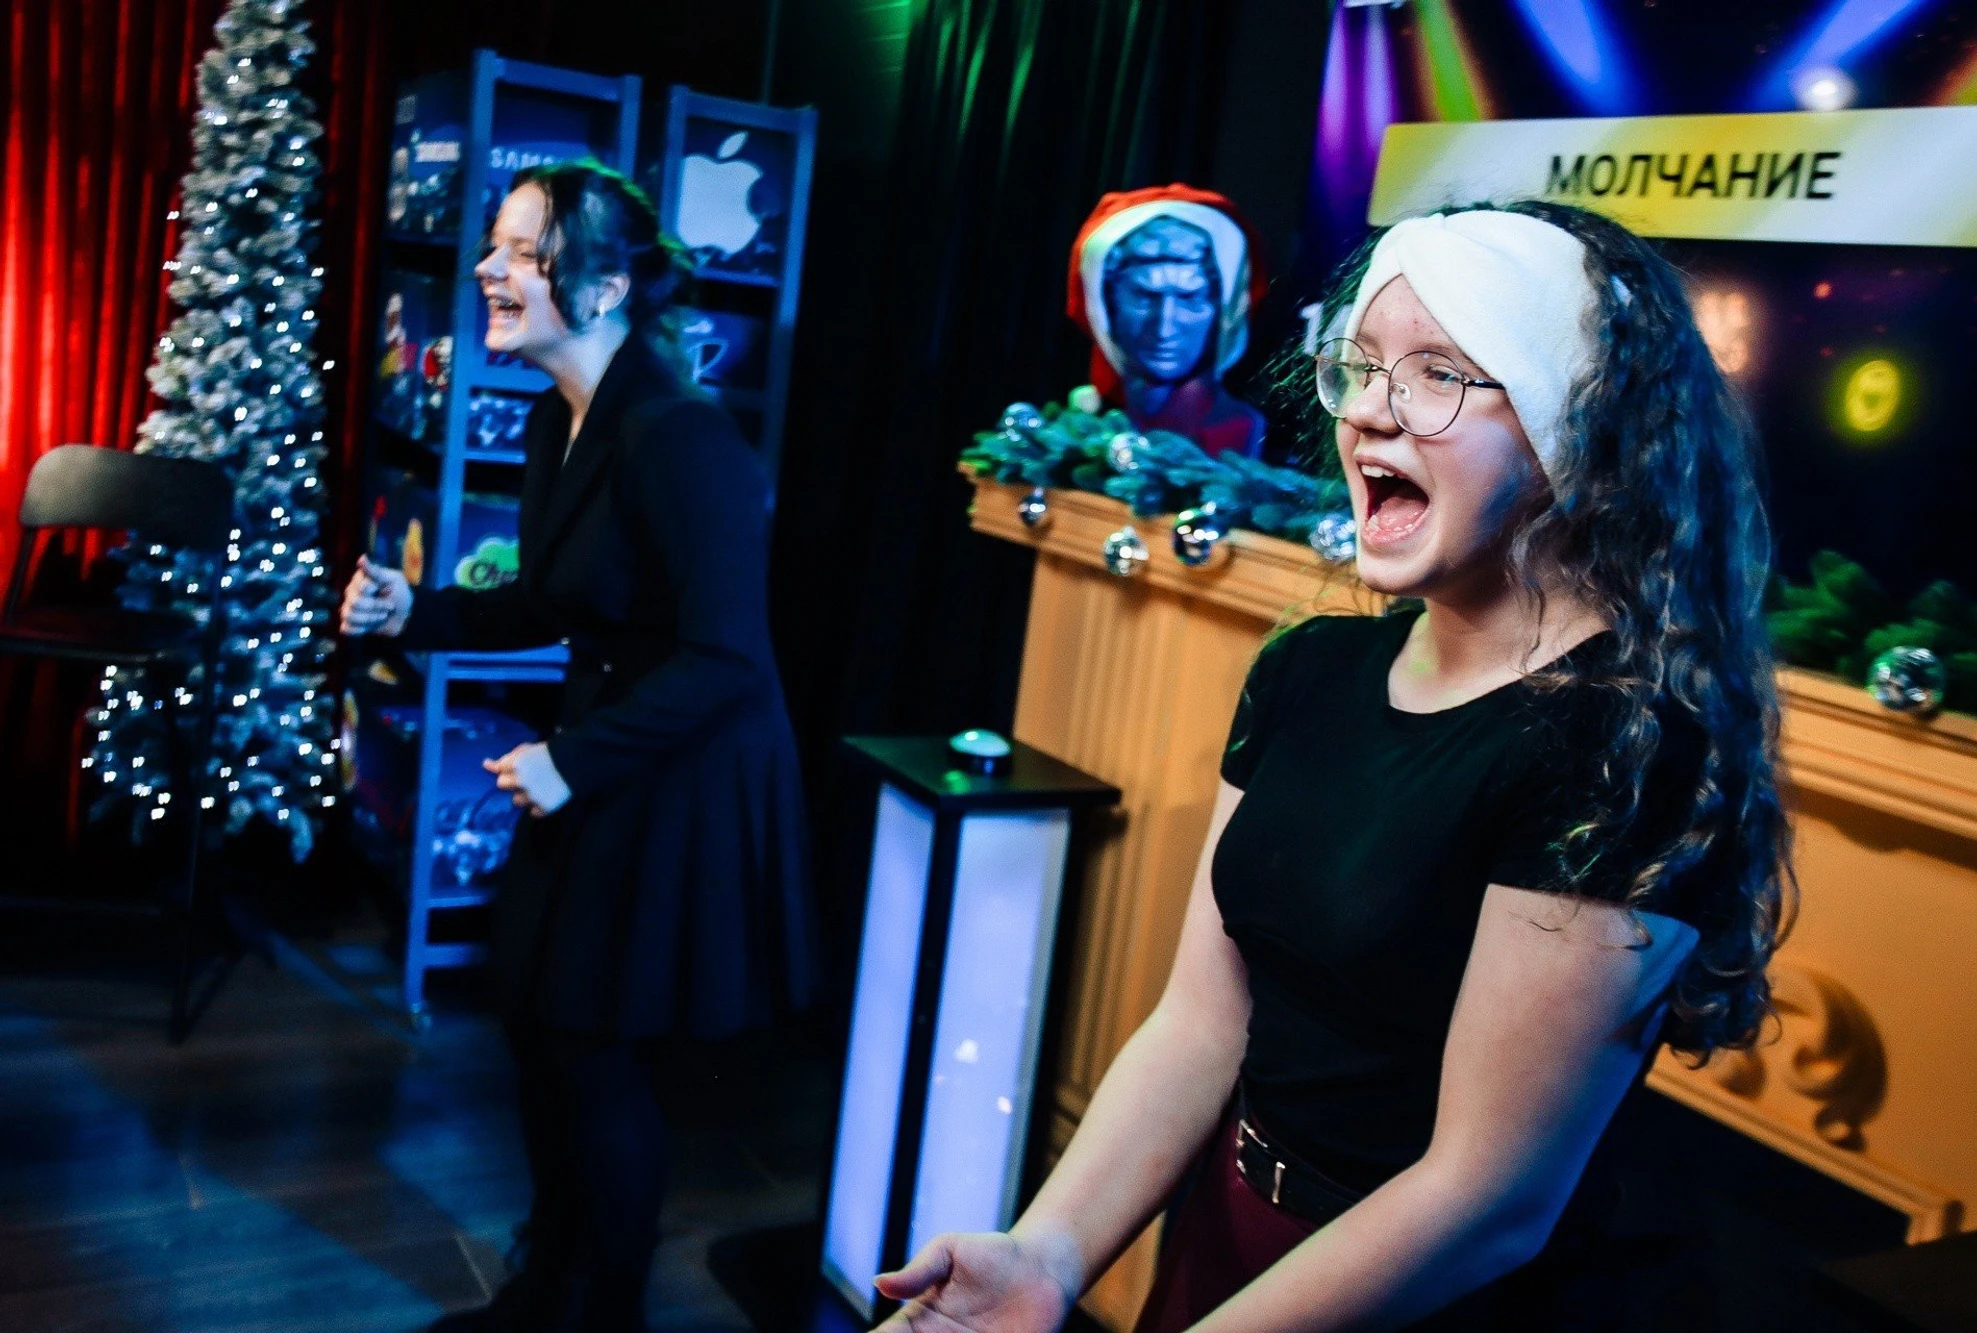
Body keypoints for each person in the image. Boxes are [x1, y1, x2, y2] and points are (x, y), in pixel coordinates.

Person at [873, 201, 1793, 1331]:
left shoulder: (1619, 746)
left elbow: (1484, 1199)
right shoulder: (1308, 668)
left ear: (1578, 425)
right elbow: (1200, 1023)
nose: (1364, 411)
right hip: (1222, 1233)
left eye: (1439, 373)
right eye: (1358, 367)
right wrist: (1046, 1252)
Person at [341, 161, 813, 1333]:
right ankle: (549, 1287)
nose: (486, 270)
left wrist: (572, 762)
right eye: (493, 246)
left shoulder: (679, 437)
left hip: (682, 776)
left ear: (602, 288)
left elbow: (726, 660)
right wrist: (413, 614)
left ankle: (594, 1311)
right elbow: (553, 598)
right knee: (546, 1027)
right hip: (612, 752)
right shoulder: (563, 418)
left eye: (520, 251)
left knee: (592, 1049)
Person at [1067, 186, 1271, 459]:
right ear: (1105, 304)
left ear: (1227, 311)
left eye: (1190, 298)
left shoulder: (1239, 427)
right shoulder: (1081, 419)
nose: (1164, 328)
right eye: (1143, 297)